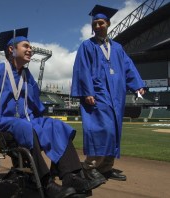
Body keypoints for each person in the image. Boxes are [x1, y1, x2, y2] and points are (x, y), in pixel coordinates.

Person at [0, 28, 103, 198]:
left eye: (31, 47)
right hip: (1, 122)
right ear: (11, 49)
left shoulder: (27, 76)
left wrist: (44, 123)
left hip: (26, 120)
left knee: (56, 125)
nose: (30, 49)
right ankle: (46, 183)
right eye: (26, 46)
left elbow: (36, 105)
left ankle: (71, 176)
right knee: (23, 126)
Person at [71, 5, 145, 182]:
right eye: (94, 23)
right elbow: (82, 69)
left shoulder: (117, 47)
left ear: (108, 24)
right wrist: (87, 91)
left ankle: (105, 168)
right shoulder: (87, 46)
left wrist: (137, 85)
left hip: (116, 95)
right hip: (97, 93)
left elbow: (128, 67)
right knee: (100, 130)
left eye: (100, 23)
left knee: (113, 131)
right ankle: (90, 166)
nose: (97, 26)